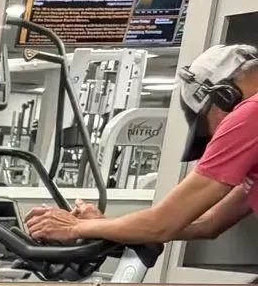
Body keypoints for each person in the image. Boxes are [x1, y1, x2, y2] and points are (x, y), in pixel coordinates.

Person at [23, 42, 258, 250]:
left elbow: (161, 225)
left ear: (225, 96)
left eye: (209, 127)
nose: (215, 136)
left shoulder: (250, 114)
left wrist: (75, 228)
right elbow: (207, 224)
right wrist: (98, 226)